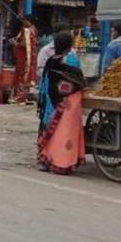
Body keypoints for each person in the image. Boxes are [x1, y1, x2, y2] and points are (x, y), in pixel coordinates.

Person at [38, 31, 86, 174]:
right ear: (69, 46)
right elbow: (78, 81)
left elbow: (45, 82)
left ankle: (47, 160)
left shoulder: (50, 60)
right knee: (65, 133)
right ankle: (63, 163)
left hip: (51, 102)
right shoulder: (71, 60)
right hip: (69, 104)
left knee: (51, 132)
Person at [10, 18, 38, 104]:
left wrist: (15, 44)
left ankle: (19, 97)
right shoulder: (33, 30)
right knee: (24, 75)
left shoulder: (27, 31)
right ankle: (22, 96)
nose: (24, 23)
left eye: (25, 21)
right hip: (27, 57)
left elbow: (25, 44)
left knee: (22, 75)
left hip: (24, 57)